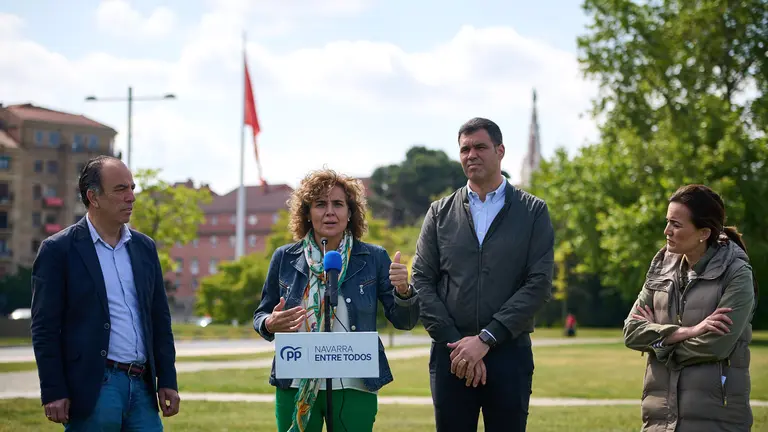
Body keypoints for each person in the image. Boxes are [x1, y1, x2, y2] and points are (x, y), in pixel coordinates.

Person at [411, 117, 555, 431]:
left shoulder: (533, 212)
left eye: (479, 147)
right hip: (450, 355)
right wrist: (458, 346)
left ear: (500, 151)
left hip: (509, 354)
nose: (471, 155)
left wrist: (487, 339)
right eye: (464, 149)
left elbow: (539, 283)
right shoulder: (439, 213)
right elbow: (421, 279)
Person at [253, 168, 420, 432]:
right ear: (307, 213)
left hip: (355, 383)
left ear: (350, 212)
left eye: (338, 204)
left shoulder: (374, 258)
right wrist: (270, 323)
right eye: (320, 204)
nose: (329, 211)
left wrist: (403, 291)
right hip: (296, 382)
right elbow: (260, 316)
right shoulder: (285, 257)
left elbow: (405, 321)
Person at [30, 155, 180, 430]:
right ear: (93, 197)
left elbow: (160, 320)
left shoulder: (145, 248)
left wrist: (168, 380)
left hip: (143, 388)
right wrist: (53, 390)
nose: (131, 197)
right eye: (121, 189)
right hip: (94, 389)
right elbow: (44, 328)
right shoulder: (58, 250)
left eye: (132, 188)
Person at [624, 184, 757, 431]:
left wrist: (658, 343)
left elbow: (716, 345)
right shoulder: (660, 267)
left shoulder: (737, 274)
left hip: (715, 421)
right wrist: (688, 331)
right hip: (659, 420)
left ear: (704, 233)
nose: (666, 231)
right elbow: (631, 332)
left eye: (676, 224)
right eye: (667, 222)